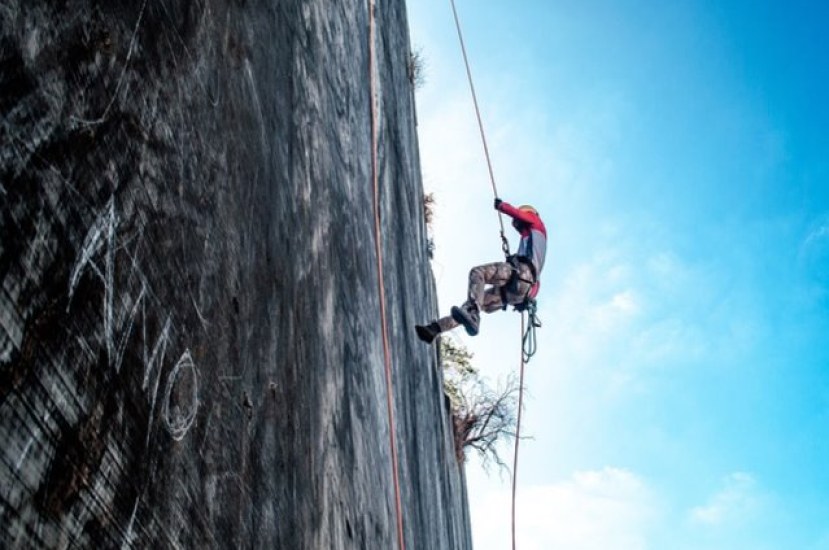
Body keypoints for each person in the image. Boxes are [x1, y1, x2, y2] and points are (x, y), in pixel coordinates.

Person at [416, 198, 547, 343]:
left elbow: (517, 214)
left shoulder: (537, 223)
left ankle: (472, 314)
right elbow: (536, 285)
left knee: (478, 273)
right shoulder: (533, 247)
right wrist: (523, 300)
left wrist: (502, 206)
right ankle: (434, 329)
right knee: (470, 307)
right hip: (518, 292)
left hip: (520, 275)